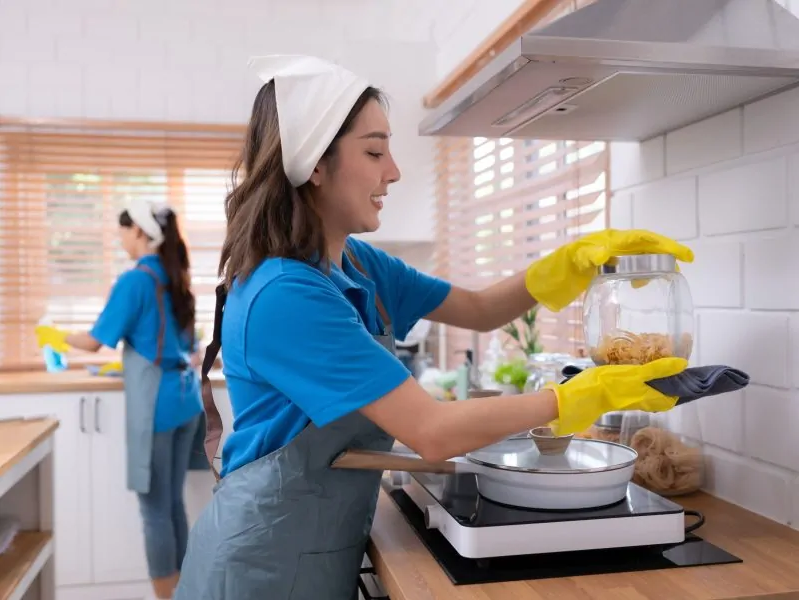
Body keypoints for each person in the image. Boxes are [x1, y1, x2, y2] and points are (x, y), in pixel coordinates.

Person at [173, 55, 695, 600]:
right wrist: (574, 397)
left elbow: (478, 309)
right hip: (261, 568)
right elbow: (431, 431)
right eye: (375, 151)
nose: (393, 171)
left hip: (315, 545)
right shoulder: (287, 296)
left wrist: (572, 260)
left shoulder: (358, 263)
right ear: (315, 165)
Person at [35, 200, 207, 600]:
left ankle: (166, 597)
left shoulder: (137, 280)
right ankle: (182, 592)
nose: (120, 239)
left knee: (153, 511)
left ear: (142, 234)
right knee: (172, 504)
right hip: (184, 401)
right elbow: (183, 345)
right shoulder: (175, 275)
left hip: (157, 408)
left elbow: (95, 342)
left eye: (124, 232)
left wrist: (54, 335)